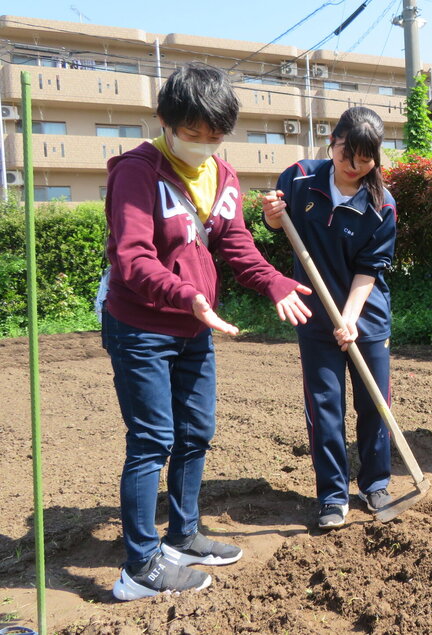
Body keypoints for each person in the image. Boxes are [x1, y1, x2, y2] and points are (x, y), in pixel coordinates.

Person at [100, 62, 313, 601]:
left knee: (197, 432)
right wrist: (187, 296)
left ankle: (184, 534)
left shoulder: (224, 175)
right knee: (151, 440)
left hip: (196, 328)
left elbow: (237, 246)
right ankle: (139, 567)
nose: (202, 144)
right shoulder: (137, 171)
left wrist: (274, 282)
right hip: (140, 326)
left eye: (214, 135)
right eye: (191, 133)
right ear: (167, 122)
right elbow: (131, 259)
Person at [262, 106, 396, 530]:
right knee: (324, 407)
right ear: (332, 142)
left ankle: (375, 483)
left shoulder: (381, 205)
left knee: (374, 402)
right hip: (315, 317)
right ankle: (332, 496)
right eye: (345, 154)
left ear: (375, 158)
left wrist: (352, 318)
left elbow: (369, 270)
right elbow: (275, 223)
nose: (354, 166)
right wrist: (270, 217)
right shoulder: (299, 178)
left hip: (366, 316)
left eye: (364, 159)